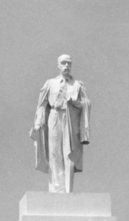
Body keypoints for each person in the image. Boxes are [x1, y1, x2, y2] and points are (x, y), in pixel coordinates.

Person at [30, 54, 90, 193]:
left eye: (69, 63)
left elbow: (86, 103)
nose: (67, 66)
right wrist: (38, 122)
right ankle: (57, 188)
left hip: (71, 118)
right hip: (55, 116)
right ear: (58, 65)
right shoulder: (50, 83)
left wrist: (76, 102)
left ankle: (68, 189)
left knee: (69, 153)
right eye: (63, 63)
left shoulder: (77, 84)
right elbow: (42, 104)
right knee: (54, 152)